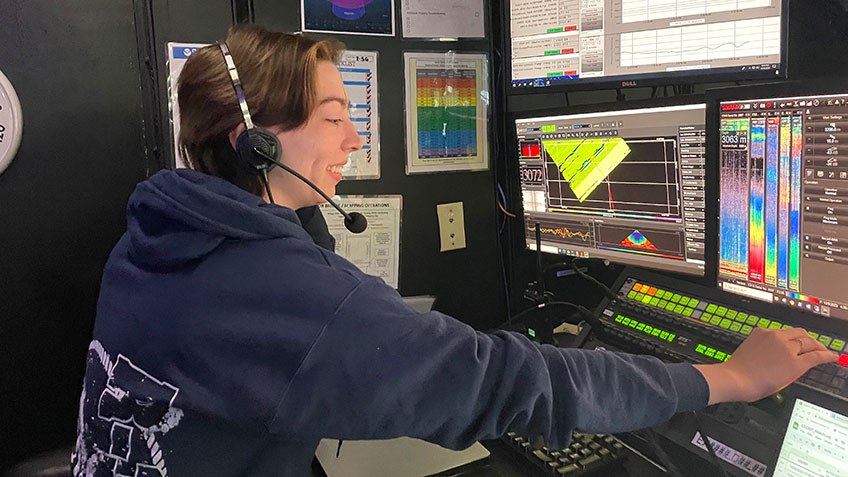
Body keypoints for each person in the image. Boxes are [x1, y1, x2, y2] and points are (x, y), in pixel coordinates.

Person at [71, 24, 837, 477]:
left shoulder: (161, 234)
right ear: (258, 142)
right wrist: (727, 378)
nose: (356, 137)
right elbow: (514, 383)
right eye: (336, 116)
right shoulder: (284, 298)